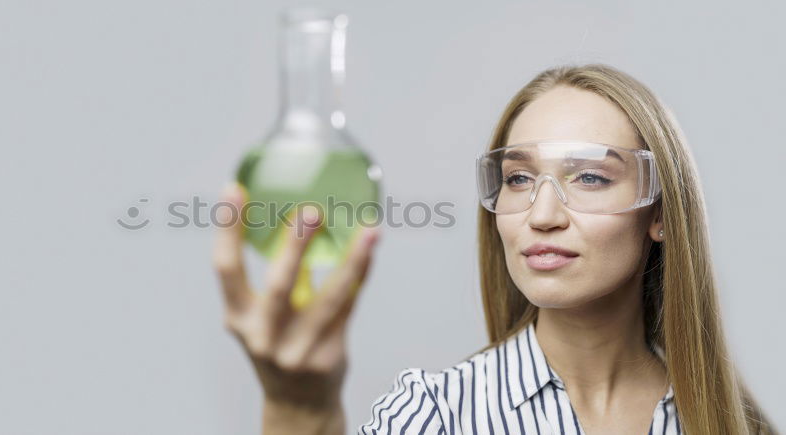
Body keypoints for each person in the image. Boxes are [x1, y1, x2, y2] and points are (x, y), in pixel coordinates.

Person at [211, 64, 776, 434]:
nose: (543, 216)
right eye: (519, 179)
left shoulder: (733, 424)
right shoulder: (434, 415)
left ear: (659, 213)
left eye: (591, 178)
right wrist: (300, 408)